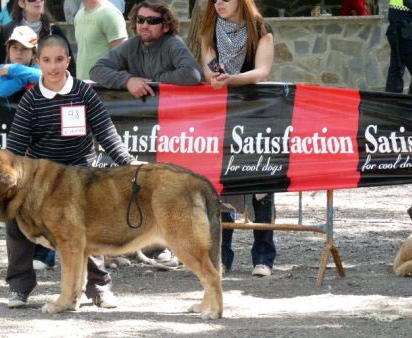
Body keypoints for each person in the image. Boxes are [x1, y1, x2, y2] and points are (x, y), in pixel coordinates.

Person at [4, 34, 135, 309]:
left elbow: (106, 132)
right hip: (41, 180)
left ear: (69, 61)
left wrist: (127, 162)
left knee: (88, 227)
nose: (53, 67)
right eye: (47, 60)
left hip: (81, 176)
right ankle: (19, 286)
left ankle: (98, 288)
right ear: (38, 62)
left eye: (59, 60)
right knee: (14, 220)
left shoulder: (84, 92)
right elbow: (15, 146)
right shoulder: (31, 100)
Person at [199, 0, 276, 277]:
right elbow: (208, 66)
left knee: (261, 182)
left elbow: (262, 71)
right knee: (223, 183)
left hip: (256, 112)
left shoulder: (260, 28)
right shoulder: (209, 28)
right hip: (221, 114)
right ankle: (222, 256)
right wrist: (215, 77)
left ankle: (264, 257)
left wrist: (231, 79)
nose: (219, 3)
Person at [0, 25, 55, 270]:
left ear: (34, 53)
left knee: (45, 201)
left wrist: (16, 71)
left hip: (41, 144)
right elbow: (2, 87)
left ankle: (46, 255)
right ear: (7, 49)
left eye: (25, 49)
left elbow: (43, 76)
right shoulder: (1, 68)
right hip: (17, 146)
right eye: (14, 48)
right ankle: (27, 256)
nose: (18, 53)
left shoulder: (25, 69)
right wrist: (24, 73)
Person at [90, 0, 202, 98]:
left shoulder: (173, 43)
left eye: (152, 20)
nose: (144, 25)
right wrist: (127, 81)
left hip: (174, 111)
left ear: (166, 26)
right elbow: (97, 70)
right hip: (142, 114)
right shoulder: (132, 45)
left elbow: (192, 74)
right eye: (140, 19)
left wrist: (153, 80)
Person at [0, 0, 76, 77]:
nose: (38, 1)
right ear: (21, 3)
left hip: (48, 89)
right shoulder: (9, 30)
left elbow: (69, 65)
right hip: (15, 90)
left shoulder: (53, 31)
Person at [74, 0, 127, 80]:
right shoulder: (79, 15)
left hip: (103, 87)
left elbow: (123, 58)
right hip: (83, 85)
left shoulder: (109, 13)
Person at [385, 0, 412, 93]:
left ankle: (392, 102)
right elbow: (410, 2)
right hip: (404, 32)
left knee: (396, 70)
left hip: (402, 30)